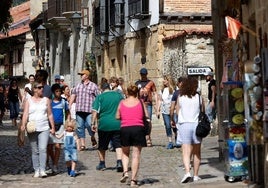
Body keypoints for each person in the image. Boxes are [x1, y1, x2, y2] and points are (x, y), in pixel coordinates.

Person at [20, 81, 55, 178]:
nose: (42, 89)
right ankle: (36, 169)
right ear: (34, 89)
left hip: (44, 127)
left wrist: (52, 127)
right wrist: (23, 124)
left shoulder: (46, 100)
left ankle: (43, 170)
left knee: (43, 149)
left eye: (42, 87)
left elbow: (50, 114)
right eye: (39, 88)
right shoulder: (29, 101)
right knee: (35, 150)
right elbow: (26, 113)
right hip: (32, 128)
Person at [116, 83, 148, 187]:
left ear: (127, 92)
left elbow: (117, 116)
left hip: (125, 128)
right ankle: (133, 180)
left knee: (125, 153)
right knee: (136, 155)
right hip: (138, 129)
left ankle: (125, 172)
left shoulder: (122, 102)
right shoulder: (140, 102)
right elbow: (146, 115)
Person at [176, 77, 204, 183]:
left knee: (186, 151)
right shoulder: (199, 97)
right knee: (197, 152)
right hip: (196, 125)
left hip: (185, 125)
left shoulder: (181, 97)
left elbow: (178, 111)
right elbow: (202, 111)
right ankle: (196, 175)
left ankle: (187, 172)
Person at [91, 82, 124, 172]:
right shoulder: (118, 96)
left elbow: (95, 111)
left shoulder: (100, 97)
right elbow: (123, 107)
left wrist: (93, 123)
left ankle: (102, 164)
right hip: (117, 123)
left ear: (101, 89)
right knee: (118, 144)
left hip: (104, 124)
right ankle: (119, 162)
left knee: (102, 145)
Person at [69, 69, 99, 150]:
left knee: (90, 125)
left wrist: (98, 108)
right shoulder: (78, 86)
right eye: (80, 74)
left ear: (87, 76)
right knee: (80, 127)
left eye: (82, 74)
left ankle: (92, 136)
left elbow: (98, 97)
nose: (81, 76)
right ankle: (83, 144)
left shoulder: (93, 86)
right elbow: (73, 95)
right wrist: (70, 104)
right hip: (79, 109)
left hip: (89, 110)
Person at [47, 83, 70, 173]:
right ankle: (53, 161)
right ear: (53, 92)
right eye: (56, 91)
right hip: (50, 126)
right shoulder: (49, 102)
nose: (58, 93)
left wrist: (67, 123)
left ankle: (55, 165)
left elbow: (68, 113)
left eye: (60, 91)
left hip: (60, 126)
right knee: (49, 147)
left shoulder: (64, 102)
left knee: (58, 146)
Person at [135, 68, 158, 147]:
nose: (143, 75)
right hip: (139, 104)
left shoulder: (150, 83)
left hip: (148, 103)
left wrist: (156, 106)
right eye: (142, 74)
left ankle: (148, 136)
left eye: (144, 74)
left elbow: (155, 93)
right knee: (140, 121)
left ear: (146, 74)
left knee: (148, 121)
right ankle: (142, 137)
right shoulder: (137, 83)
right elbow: (134, 94)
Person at [156, 75, 176, 149]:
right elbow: (160, 100)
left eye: (165, 79)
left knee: (175, 125)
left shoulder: (174, 89)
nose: (164, 81)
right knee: (168, 126)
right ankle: (170, 141)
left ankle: (177, 138)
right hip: (165, 111)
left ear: (169, 81)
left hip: (173, 111)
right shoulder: (162, 90)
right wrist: (158, 110)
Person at [170, 77, 185, 147]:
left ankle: (179, 141)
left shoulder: (176, 93)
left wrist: (171, 118)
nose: (177, 84)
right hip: (188, 115)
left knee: (178, 129)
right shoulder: (191, 92)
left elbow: (172, 107)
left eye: (178, 83)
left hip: (179, 114)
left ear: (181, 83)